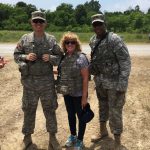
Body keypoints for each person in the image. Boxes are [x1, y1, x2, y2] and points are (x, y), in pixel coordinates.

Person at [14, 10, 63, 150]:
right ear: (31, 23)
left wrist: (51, 58)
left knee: (50, 109)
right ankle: (27, 137)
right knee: (29, 109)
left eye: (41, 21)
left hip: (47, 82)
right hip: (29, 83)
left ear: (45, 23)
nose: (38, 24)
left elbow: (60, 58)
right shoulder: (25, 39)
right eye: (35, 21)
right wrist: (25, 57)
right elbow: (16, 55)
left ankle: (52, 138)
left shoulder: (52, 40)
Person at [89, 14, 131, 147]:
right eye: (95, 24)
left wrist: (123, 84)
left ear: (104, 24)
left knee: (115, 111)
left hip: (115, 83)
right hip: (100, 82)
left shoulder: (114, 39)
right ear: (92, 26)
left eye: (100, 24)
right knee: (103, 107)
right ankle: (103, 132)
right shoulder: (92, 41)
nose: (98, 27)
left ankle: (117, 142)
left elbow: (125, 61)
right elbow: (95, 62)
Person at [56, 32, 89, 149]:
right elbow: (63, 72)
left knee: (81, 116)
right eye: (67, 42)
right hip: (67, 93)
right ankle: (73, 136)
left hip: (79, 93)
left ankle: (80, 140)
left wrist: (84, 97)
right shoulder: (64, 57)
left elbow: (85, 78)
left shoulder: (81, 57)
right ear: (64, 44)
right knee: (70, 115)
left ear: (76, 44)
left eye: (72, 42)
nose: (70, 44)